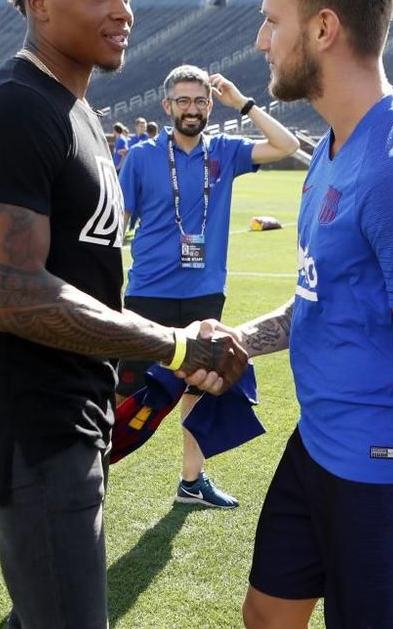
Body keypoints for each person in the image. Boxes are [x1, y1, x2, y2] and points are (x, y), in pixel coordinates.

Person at [0, 0, 248, 629]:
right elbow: (16, 297)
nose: (123, 12)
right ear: (38, 2)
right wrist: (173, 345)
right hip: (34, 425)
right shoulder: (14, 109)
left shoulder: (75, 111)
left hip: (73, 417)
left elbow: (79, 279)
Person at [188, 0, 393, 627]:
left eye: (271, 21)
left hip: (379, 480)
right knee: (266, 618)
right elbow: (324, 300)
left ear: (322, 29)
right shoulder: (334, 146)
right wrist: (240, 340)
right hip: (317, 445)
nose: (260, 38)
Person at [117, 64, 298, 509]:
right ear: (167, 106)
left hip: (204, 294)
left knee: (198, 386)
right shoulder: (141, 157)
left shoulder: (226, 151)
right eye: (183, 101)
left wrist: (244, 103)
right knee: (126, 390)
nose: (192, 109)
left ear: (210, 105)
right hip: (148, 294)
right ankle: (92, 472)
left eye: (200, 101)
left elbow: (287, 145)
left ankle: (191, 482)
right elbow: (119, 220)